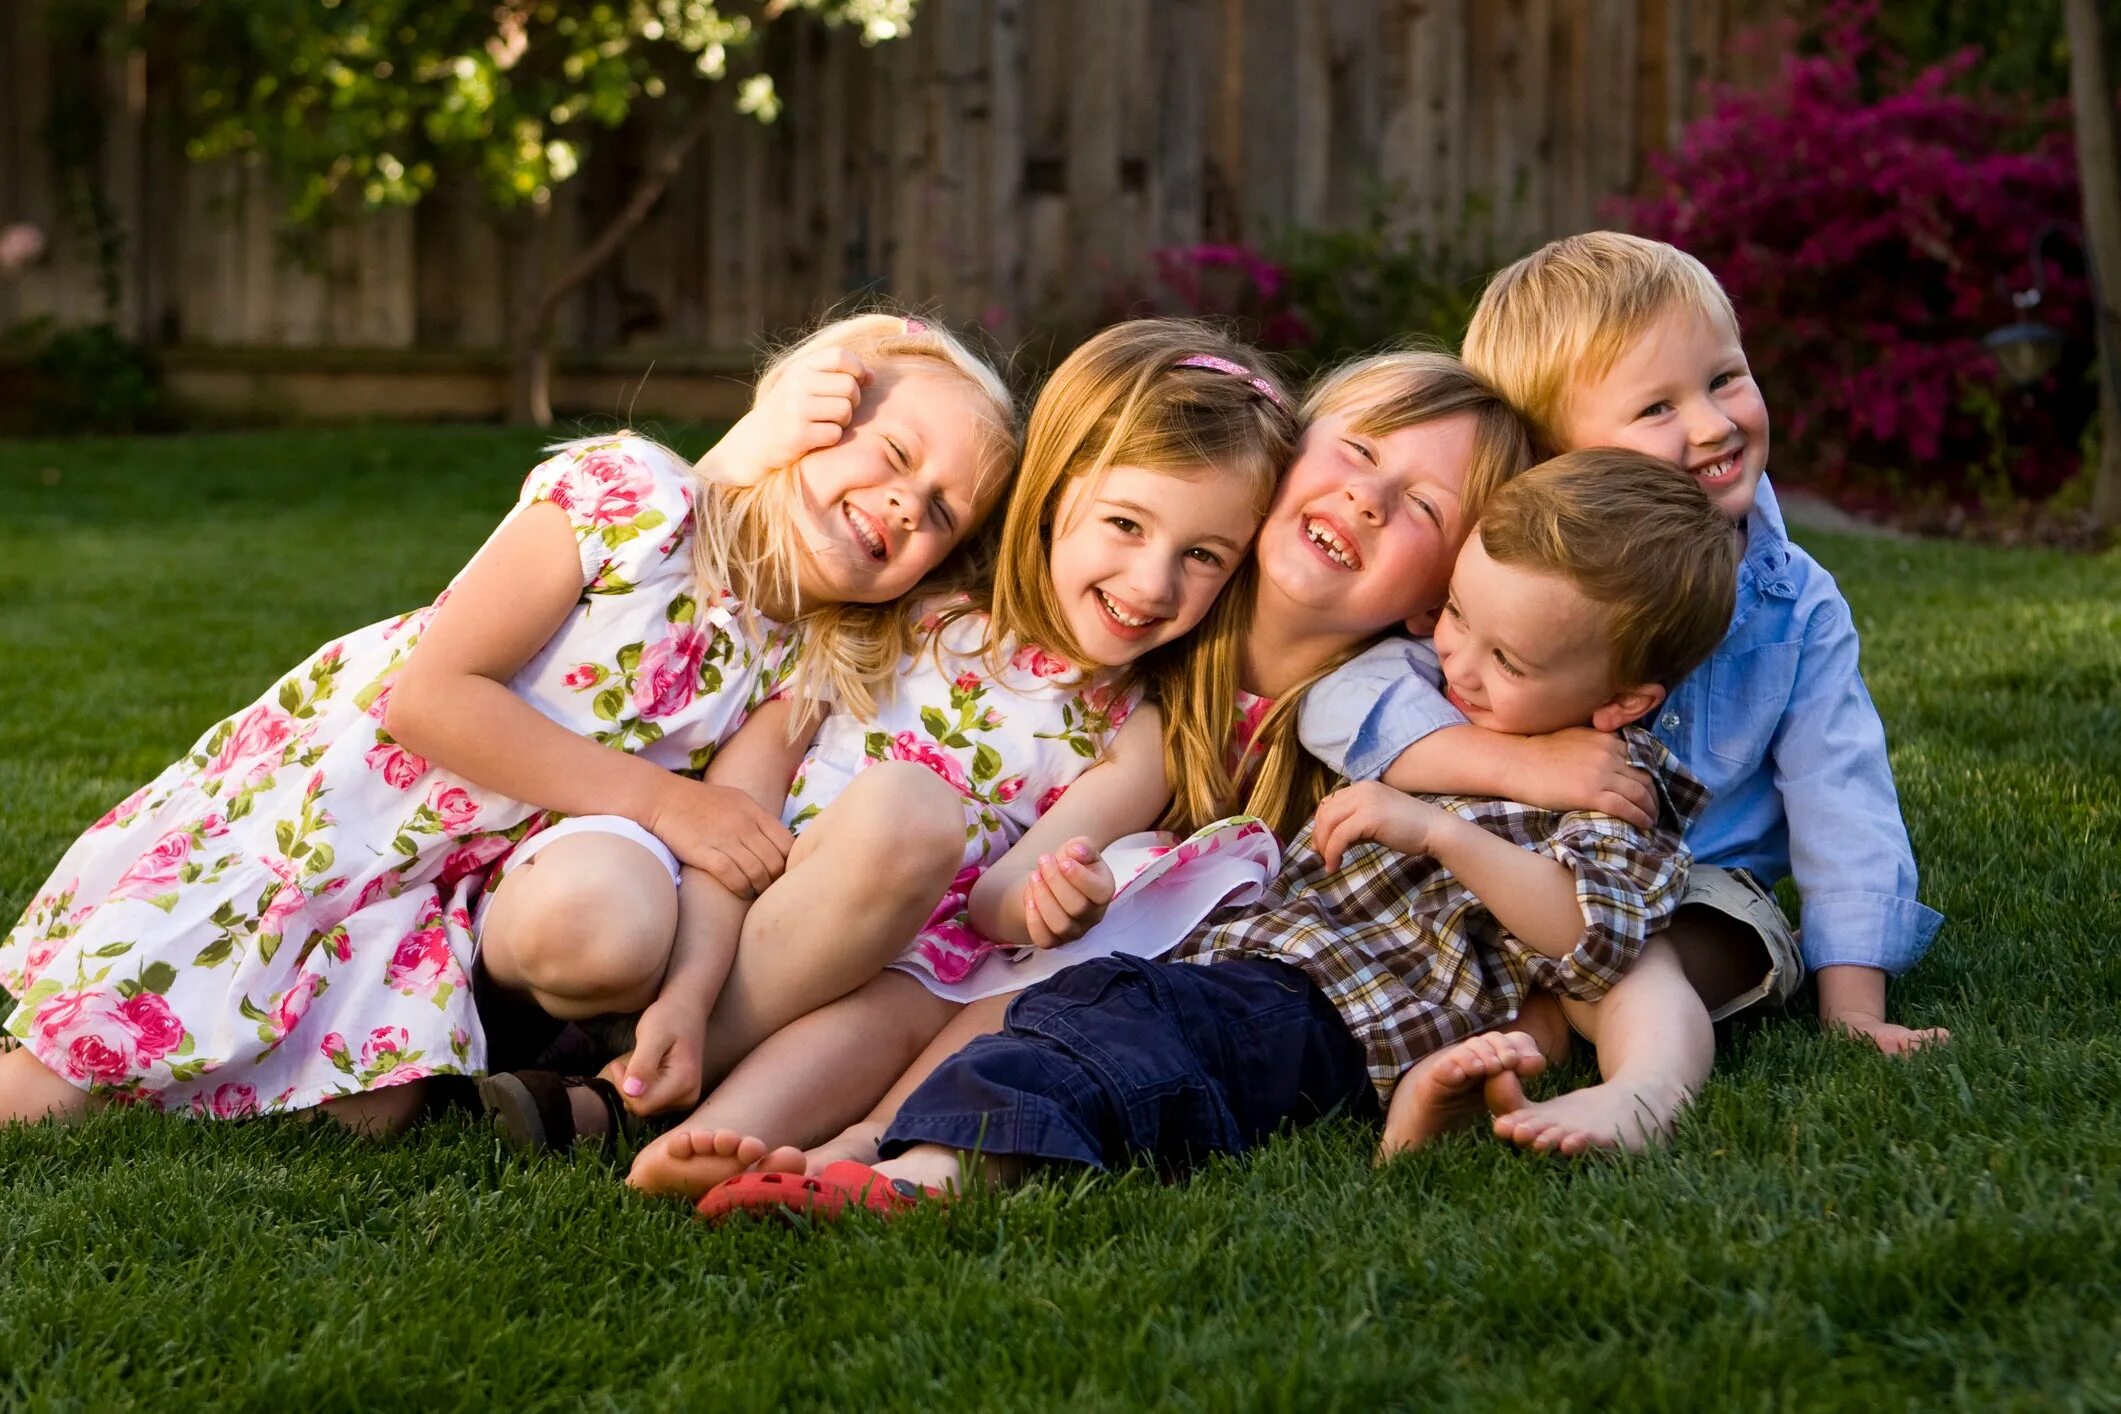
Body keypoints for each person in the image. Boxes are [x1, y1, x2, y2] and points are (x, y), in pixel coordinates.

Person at [0, 311, 1016, 1131]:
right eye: (893, 453)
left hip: (456, 895)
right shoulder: (636, 500)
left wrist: (687, 1000)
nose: (902, 505)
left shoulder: (805, 664)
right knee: (61, 1087)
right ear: (813, 411)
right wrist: (663, 800)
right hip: (340, 821)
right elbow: (431, 700)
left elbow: (731, 845)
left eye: (939, 514)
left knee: (374, 1109)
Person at [693, 448, 1738, 1219]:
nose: (1457, 657)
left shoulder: (1612, 793)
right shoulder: (1424, 701)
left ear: (1620, 703)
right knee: (1060, 1003)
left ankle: (921, 1180)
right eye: (1457, 612)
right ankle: (848, 1147)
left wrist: (1441, 832)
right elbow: (1345, 709)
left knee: (1109, 1040)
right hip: (1243, 972)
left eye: (1507, 659)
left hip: (1326, 1011)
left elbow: (1596, 941)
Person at [482, 320, 1299, 1161]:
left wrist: (1053, 901)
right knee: (903, 814)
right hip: (748, 913)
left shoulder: (1138, 733)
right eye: (1125, 524)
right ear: (1055, 496)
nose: (1151, 581)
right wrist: (689, 990)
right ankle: (653, 1053)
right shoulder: (910, 611)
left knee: (892, 1009)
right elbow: (740, 811)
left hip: (905, 958)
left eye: (1202, 555)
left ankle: (669, 1130)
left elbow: (999, 900)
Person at [1460, 231, 1946, 1054]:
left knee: (1722, 934)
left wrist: (1854, 1007)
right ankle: (1537, 1016)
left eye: (1724, 378)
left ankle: (1564, 1025)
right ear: (1556, 456)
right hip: (1527, 867)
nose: (1713, 424)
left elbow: (1842, 798)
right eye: (1657, 407)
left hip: (1697, 891)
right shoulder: (1503, 571)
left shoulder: (1795, 606)